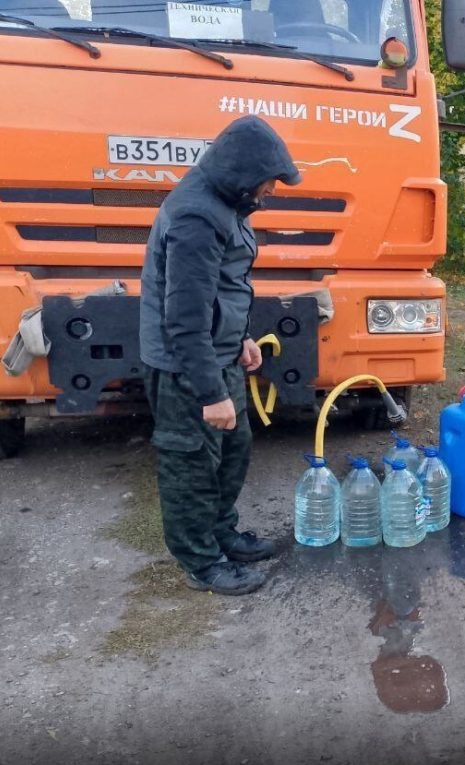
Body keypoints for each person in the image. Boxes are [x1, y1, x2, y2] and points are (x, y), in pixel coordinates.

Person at [139, 115, 301, 595]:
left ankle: (221, 531)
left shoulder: (227, 205)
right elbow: (185, 316)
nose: (271, 190)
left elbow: (225, 289)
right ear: (242, 172)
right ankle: (201, 561)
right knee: (192, 463)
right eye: (268, 180)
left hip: (220, 353)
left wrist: (242, 339)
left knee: (234, 449)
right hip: (184, 366)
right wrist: (210, 391)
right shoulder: (196, 216)